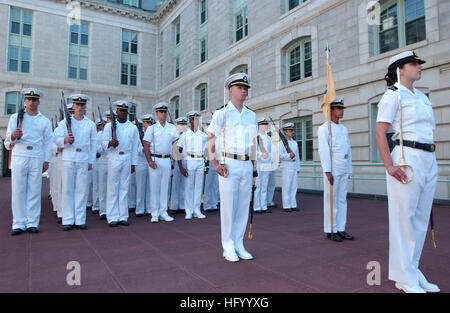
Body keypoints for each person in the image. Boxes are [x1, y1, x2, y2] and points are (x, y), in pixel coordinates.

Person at [375, 51, 439, 293]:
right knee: (404, 219)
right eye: (414, 64)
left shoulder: (421, 96)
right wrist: (389, 166)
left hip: (428, 157)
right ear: (399, 69)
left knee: (421, 219)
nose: (419, 67)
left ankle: (412, 268)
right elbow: (380, 132)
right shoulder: (392, 96)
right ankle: (403, 276)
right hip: (406, 157)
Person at [207, 73, 257, 262]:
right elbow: (210, 137)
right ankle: (227, 246)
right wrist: (215, 163)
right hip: (229, 163)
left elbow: (253, 141)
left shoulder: (251, 115)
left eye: (245, 88)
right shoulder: (222, 113)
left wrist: (253, 165)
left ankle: (239, 243)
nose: (243, 90)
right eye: (240, 87)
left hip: (245, 164)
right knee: (229, 207)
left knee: (243, 206)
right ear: (230, 90)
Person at [6, 88, 53, 235]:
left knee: (34, 190)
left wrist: (46, 160)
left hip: (36, 155)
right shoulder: (15, 118)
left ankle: (32, 222)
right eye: (29, 99)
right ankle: (18, 223)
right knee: (18, 190)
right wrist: (13, 135)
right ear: (25, 101)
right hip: (20, 154)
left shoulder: (44, 121)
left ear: (39, 101)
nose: (32, 102)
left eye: (34, 100)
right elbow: (8, 141)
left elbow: (48, 142)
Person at [54, 94, 97, 231]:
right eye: (77, 105)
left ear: (85, 106)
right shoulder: (64, 123)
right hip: (68, 156)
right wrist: (65, 140)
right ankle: (67, 219)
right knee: (67, 189)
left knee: (81, 190)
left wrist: (91, 161)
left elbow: (93, 144)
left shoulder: (90, 124)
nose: (79, 107)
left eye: (82, 105)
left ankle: (79, 219)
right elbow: (55, 138)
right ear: (73, 106)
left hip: (83, 157)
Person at [318, 97, 354, 242]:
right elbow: (324, 150)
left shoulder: (344, 129)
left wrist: (349, 169)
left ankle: (341, 228)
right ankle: (331, 229)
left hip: (343, 166)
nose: (341, 111)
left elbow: (348, 150)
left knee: (342, 199)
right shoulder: (324, 128)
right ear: (331, 110)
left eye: (342, 108)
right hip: (332, 168)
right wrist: (327, 171)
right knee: (331, 200)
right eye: (339, 108)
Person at [102, 100, 139, 227]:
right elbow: (102, 143)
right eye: (120, 110)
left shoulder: (132, 127)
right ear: (116, 111)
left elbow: (135, 146)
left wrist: (134, 163)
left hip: (127, 157)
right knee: (113, 188)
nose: (122, 113)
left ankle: (123, 216)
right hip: (114, 156)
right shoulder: (109, 126)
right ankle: (112, 217)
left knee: (124, 188)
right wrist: (110, 143)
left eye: (125, 111)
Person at [143, 102, 179, 223]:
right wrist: (149, 161)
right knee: (154, 188)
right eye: (161, 112)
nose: (163, 114)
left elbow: (175, 143)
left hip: (167, 159)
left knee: (165, 187)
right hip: (155, 159)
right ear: (157, 114)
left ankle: (163, 212)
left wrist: (174, 159)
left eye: (165, 112)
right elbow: (146, 145)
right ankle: (154, 213)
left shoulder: (171, 127)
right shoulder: (152, 128)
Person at [178, 111, 208, 219]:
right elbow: (179, 150)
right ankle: (189, 211)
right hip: (189, 160)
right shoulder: (185, 135)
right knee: (189, 187)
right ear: (189, 121)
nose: (194, 121)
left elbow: (207, 150)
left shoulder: (204, 135)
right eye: (192, 119)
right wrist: (181, 167)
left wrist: (207, 165)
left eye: (196, 119)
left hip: (200, 160)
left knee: (199, 187)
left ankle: (197, 210)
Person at [278, 123, 300, 212]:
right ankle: (287, 205)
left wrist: (298, 167)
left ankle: (293, 204)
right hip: (286, 165)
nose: (292, 132)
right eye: (289, 130)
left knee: (294, 186)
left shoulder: (294, 143)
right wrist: (288, 156)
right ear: (285, 132)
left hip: (294, 165)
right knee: (287, 186)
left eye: (292, 130)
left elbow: (297, 156)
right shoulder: (281, 143)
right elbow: (280, 155)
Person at [134, 114, 152, 217]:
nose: (148, 125)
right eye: (146, 123)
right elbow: (135, 148)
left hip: (150, 161)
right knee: (140, 187)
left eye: (150, 123)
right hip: (141, 162)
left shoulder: (153, 134)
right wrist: (143, 150)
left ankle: (149, 208)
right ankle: (140, 209)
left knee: (150, 187)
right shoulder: (139, 134)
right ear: (143, 124)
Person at [170, 116, 188, 215]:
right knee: (175, 184)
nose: (182, 126)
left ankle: (182, 205)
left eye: (184, 124)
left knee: (184, 185)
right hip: (177, 161)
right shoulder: (174, 136)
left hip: (185, 160)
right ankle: (174, 205)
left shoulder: (187, 135)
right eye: (180, 124)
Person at [253, 117, 271, 214]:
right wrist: (261, 155)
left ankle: (264, 206)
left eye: (265, 125)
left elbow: (272, 151)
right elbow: (253, 151)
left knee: (265, 186)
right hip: (259, 164)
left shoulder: (269, 138)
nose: (264, 126)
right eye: (262, 125)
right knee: (258, 186)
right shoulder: (256, 137)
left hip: (267, 164)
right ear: (258, 126)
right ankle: (257, 207)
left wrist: (268, 156)